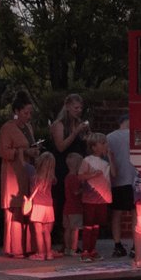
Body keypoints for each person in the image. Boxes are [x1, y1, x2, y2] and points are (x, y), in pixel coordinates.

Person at [0, 91, 40, 257]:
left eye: (30, 113)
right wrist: (23, 151)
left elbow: (31, 143)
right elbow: (3, 151)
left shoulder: (28, 127)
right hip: (13, 173)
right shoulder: (8, 128)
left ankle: (29, 245)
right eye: (25, 113)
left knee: (27, 208)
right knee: (16, 208)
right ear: (16, 111)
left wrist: (34, 151)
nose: (28, 116)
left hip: (27, 170)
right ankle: (15, 248)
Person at [49, 93, 92, 260]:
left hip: (78, 168)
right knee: (62, 202)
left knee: (78, 204)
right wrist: (74, 133)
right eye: (76, 107)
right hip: (63, 167)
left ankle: (74, 241)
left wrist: (87, 135)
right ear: (67, 107)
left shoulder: (79, 124)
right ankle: (62, 240)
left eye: (80, 108)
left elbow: (85, 146)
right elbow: (60, 147)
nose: (78, 111)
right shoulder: (59, 125)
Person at [104, 112, 139, 257]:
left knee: (116, 214)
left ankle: (117, 244)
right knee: (135, 214)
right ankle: (136, 245)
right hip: (134, 178)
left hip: (116, 180)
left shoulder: (109, 137)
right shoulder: (136, 135)